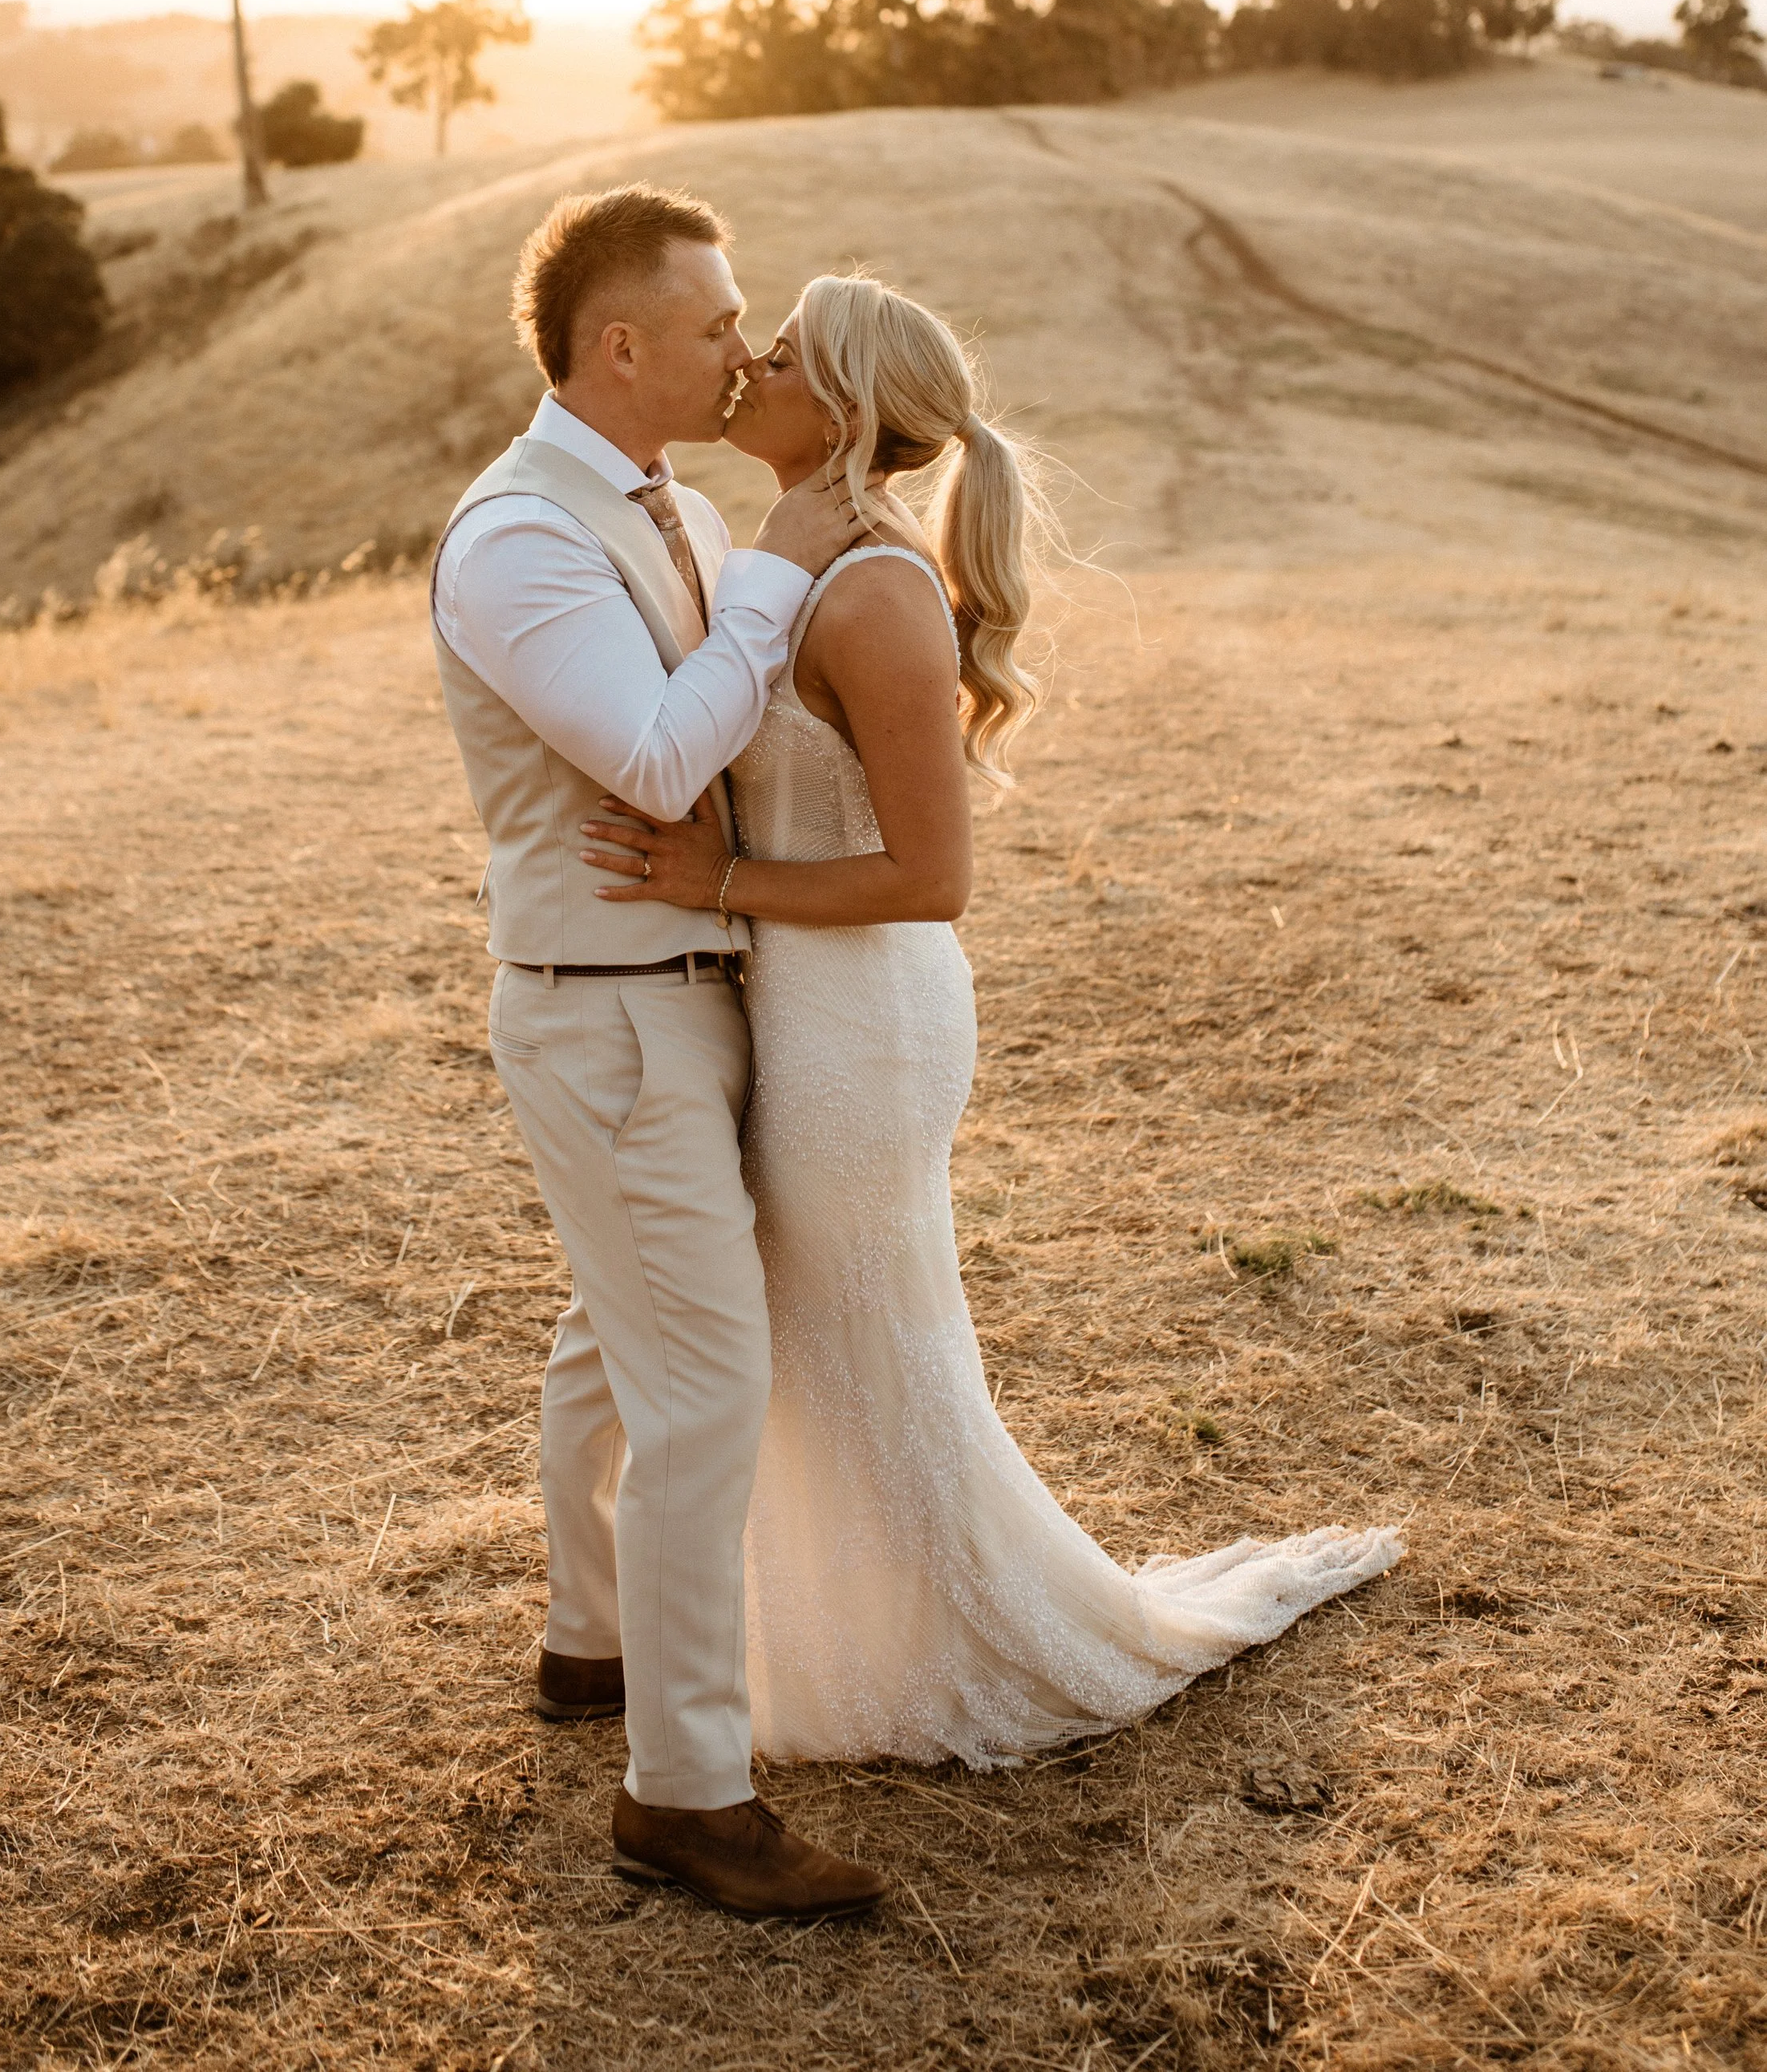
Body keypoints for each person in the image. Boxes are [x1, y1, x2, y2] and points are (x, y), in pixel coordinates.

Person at [581, 273, 1404, 1768]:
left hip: (863, 1025)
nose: (747, 364)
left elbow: (933, 876)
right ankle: (853, 1637)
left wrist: (727, 876)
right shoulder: (802, 559)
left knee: (871, 1340)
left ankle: (985, 1635)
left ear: (841, 409)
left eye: (781, 352)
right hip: (806, 999)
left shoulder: (878, 590)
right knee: (826, 1338)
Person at [430, 184, 885, 1920]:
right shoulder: (519, 534)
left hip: (683, 989)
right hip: (609, 1001)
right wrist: (781, 557)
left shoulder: (663, 505)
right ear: (616, 343)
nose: (742, 346)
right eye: (714, 321)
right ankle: (685, 1791)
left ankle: (586, 1638)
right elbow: (641, 752)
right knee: (703, 1383)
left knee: (612, 1340)